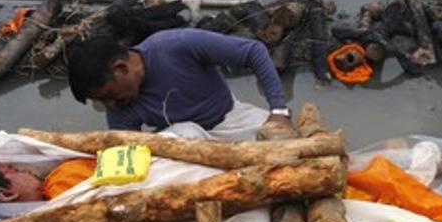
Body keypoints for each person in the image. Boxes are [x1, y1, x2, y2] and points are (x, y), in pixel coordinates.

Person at [65, 29, 294, 138]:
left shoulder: (177, 45)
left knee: (284, 143)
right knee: (181, 135)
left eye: (109, 95)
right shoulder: (121, 109)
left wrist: (279, 111)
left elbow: (254, 52)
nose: (111, 105)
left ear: (122, 69)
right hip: (182, 141)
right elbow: (130, 150)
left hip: (232, 121)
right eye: (102, 101)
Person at [0, 159, 96, 203]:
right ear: (6, 194)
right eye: (13, 170)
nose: (24, 170)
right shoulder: (59, 188)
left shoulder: (54, 183)